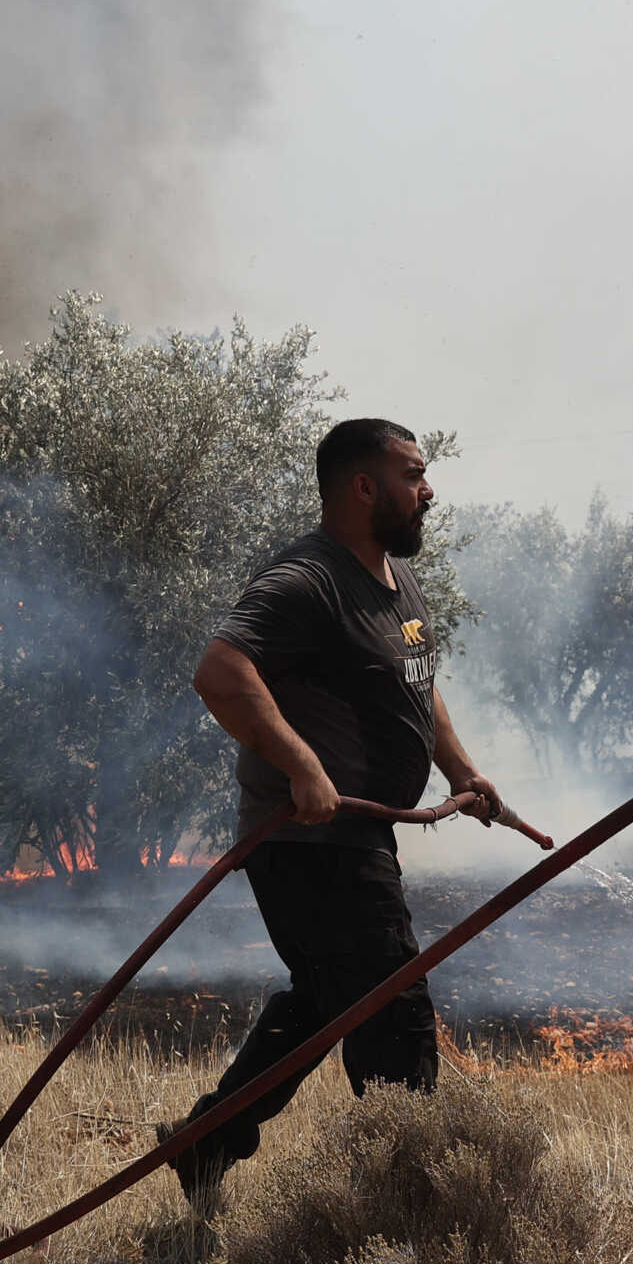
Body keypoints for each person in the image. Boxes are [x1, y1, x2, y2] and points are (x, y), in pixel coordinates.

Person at [158, 417, 503, 1207]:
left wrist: (463, 771)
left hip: (356, 837)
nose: (428, 490)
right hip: (312, 844)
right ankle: (408, 1208)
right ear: (363, 486)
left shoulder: (393, 580)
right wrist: (303, 768)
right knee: (395, 1012)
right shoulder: (305, 579)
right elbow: (220, 671)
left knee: (323, 1004)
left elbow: (416, 684)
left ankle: (206, 1144)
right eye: (413, 475)